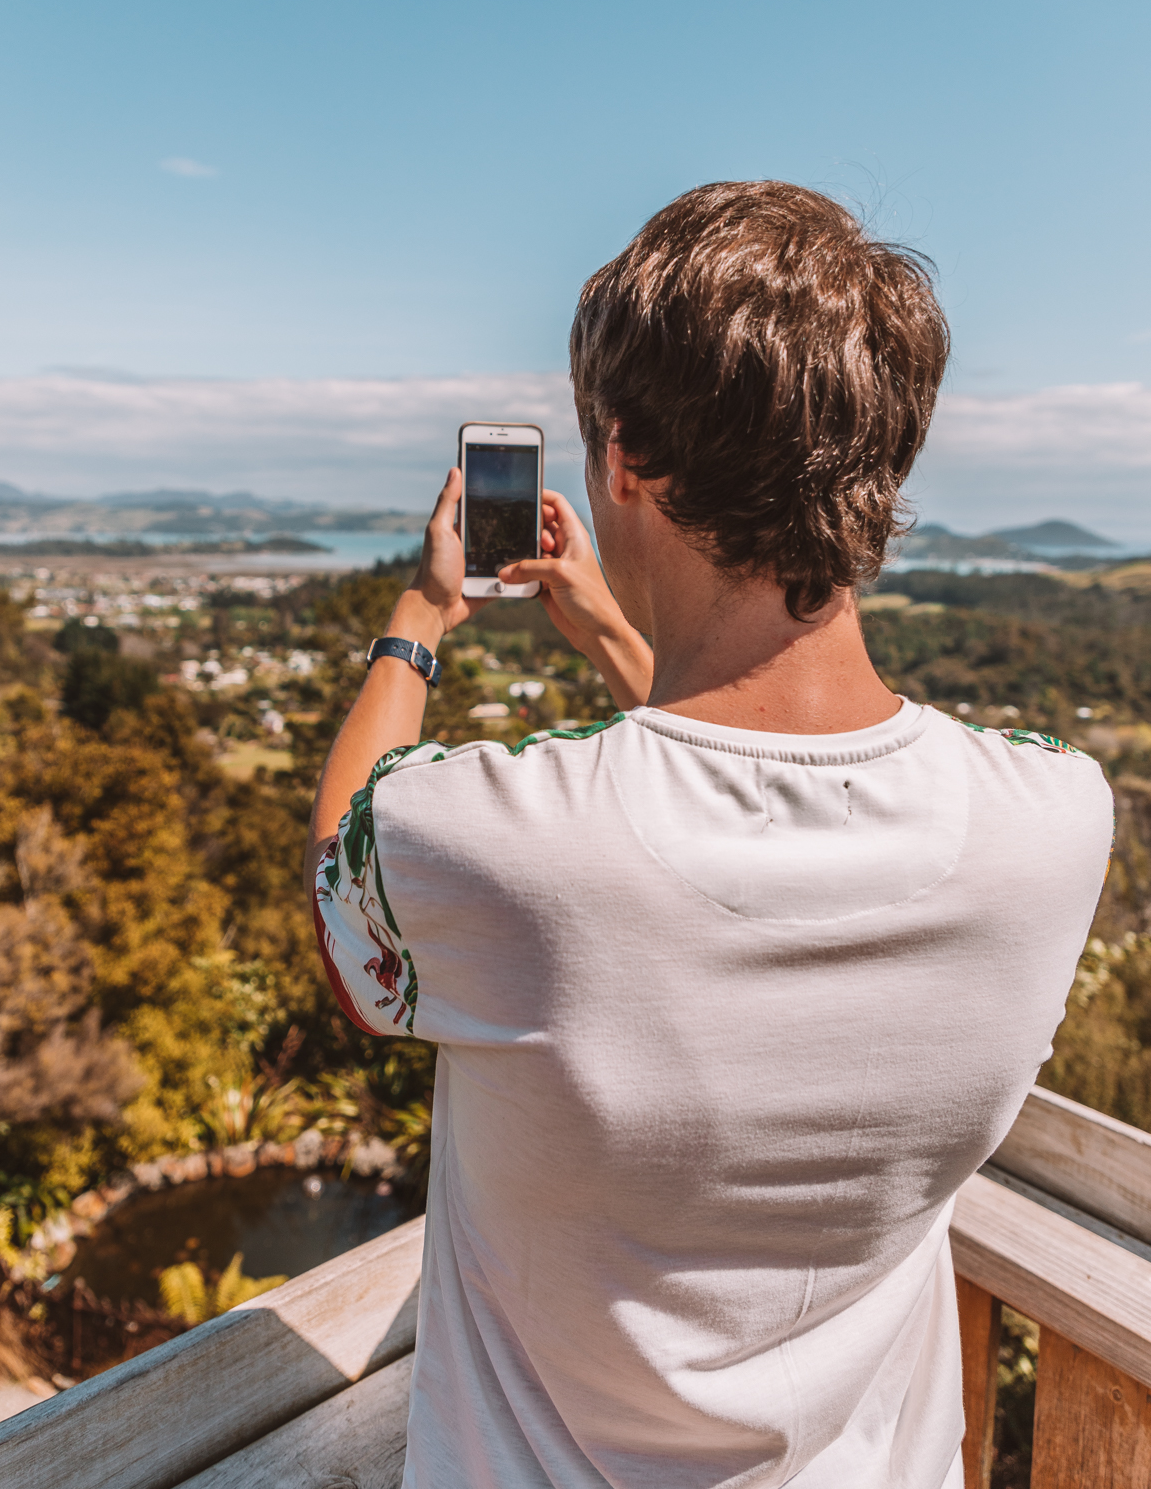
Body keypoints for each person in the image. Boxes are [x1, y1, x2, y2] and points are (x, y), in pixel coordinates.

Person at [306, 182, 1113, 1489]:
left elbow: (347, 875)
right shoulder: (1053, 820)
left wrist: (422, 613)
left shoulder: (501, 840)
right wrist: (624, 639)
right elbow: (766, 791)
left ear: (622, 457)